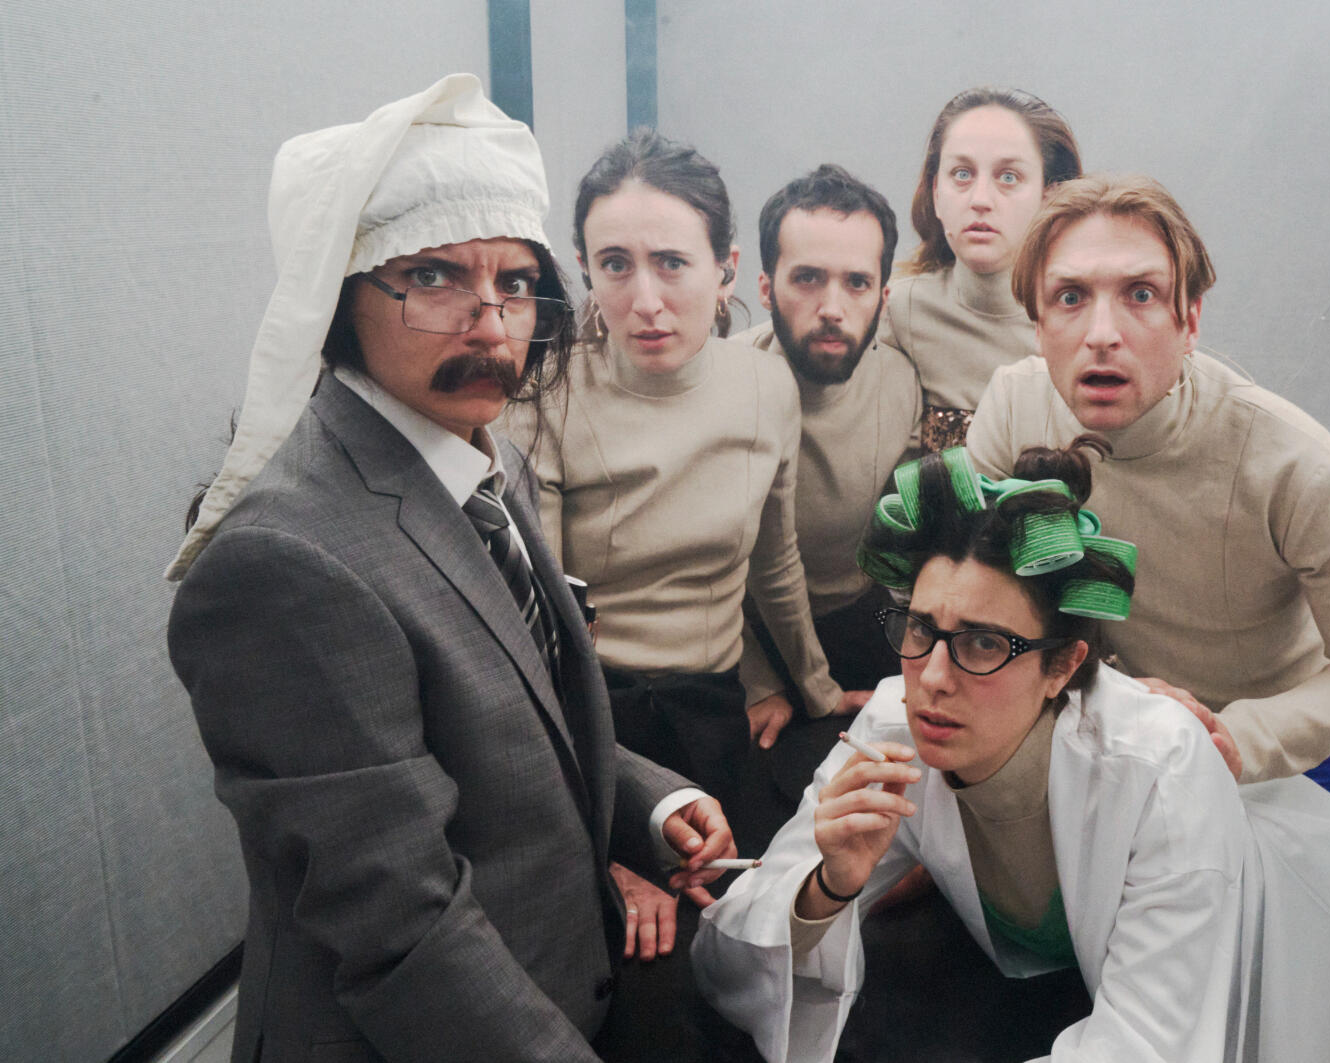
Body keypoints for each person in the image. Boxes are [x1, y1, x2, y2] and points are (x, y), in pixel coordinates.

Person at [166, 75, 735, 1060]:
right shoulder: (285, 562)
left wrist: (649, 803)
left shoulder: (481, 453)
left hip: (557, 980)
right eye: (434, 276)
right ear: (342, 295)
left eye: (514, 282)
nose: (490, 321)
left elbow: (519, 720)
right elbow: (404, 927)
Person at [693, 447, 1330, 1063]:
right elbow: (724, 953)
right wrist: (826, 886)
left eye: (983, 643)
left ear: (1063, 665)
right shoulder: (896, 720)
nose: (935, 677)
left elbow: (1149, 1045)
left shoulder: (1160, 768)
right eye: (920, 628)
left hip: (1290, 947)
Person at [965, 174, 1330, 837]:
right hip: (1111, 743)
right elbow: (970, 594)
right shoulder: (1013, 407)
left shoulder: (1298, 464)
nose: (1101, 334)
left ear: (1191, 321)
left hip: (1283, 763)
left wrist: (1237, 738)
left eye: (1141, 294)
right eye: (1070, 297)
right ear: (1038, 326)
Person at [509, 132, 864, 855]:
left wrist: (819, 692)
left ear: (725, 270)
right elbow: (538, 622)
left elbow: (774, 566)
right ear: (585, 267)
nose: (646, 301)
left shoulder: (765, 386)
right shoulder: (544, 394)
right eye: (615, 264)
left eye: (671, 263)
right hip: (594, 718)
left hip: (718, 707)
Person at [734, 164, 919, 720]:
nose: (833, 309)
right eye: (808, 278)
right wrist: (756, 683)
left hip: (861, 621)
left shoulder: (904, 381)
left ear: (883, 297)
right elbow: (688, 574)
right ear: (766, 288)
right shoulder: (727, 386)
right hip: (740, 636)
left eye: (857, 283)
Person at [882, 87, 1081, 451]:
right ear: (936, 193)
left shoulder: (1088, 323)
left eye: (1009, 177)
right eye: (962, 174)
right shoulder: (897, 311)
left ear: (1049, 197)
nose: (980, 200)